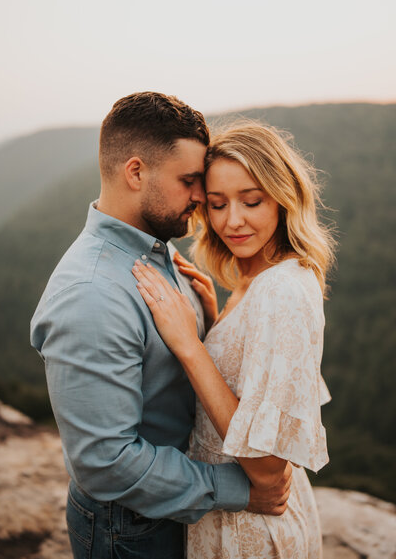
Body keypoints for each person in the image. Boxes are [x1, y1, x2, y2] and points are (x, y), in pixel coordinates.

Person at [30, 93, 291, 559]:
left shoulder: (156, 248)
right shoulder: (92, 295)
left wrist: (211, 323)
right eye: (189, 180)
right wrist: (241, 489)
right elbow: (106, 463)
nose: (199, 196)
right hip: (130, 529)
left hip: (168, 510)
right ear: (136, 173)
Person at [132, 122, 335, 558]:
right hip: (226, 516)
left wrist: (190, 345)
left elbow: (265, 469)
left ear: (284, 197)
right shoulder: (252, 278)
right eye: (218, 204)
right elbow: (245, 388)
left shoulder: (282, 290)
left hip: (254, 530)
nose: (232, 221)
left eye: (252, 201)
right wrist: (214, 323)